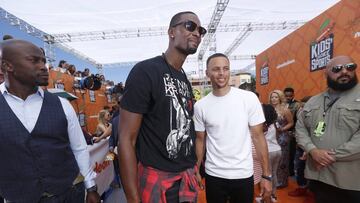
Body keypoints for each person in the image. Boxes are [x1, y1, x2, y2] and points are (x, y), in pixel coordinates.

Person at [118, 11, 207, 203]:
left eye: (201, 30)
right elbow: (126, 139)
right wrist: (133, 199)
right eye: (189, 26)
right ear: (171, 32)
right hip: (157, 180)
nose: (197, 33)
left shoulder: (183, 77)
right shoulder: (145, 71)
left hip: (186, 178)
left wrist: (194, 169)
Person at [0, 39, 100, 203]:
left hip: (69, 195)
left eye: (44, 61)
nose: (43, 67)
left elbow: (79, 149)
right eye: (34, 60)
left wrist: (91, 187)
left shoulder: (62, 104)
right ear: (7, 66)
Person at [194, 53, 272, 203]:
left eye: (226, 68)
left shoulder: (248, 99)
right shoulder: (200, 106)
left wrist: (267, 175)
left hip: (243, 174)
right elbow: (200, 140)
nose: (222, 73)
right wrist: (196, 169)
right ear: (207, 73)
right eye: (216, 69)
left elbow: (258, 137)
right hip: (214, 174)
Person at [296, 55, 360, 203]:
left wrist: (327, 157)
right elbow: (300, 128)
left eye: (350, 67)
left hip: (351, 181)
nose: (344, 71)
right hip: (320, 177)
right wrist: (312, 150)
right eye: (337, 69)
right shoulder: (314, 101)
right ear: (326, 74)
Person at [269, 90, 294, 188]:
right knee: (271, 159)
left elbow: (291, 123)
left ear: (280, 98)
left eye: (276, 97)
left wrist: (282, 129)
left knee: (282, 160)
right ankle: (271, 180)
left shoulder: (285, 110)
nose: (274, 99)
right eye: (272, 97)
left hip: (282, 138)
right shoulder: (268, 109)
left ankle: (281, 182)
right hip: (270, 137)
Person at [283, 87, 301, 176]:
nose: (288, 98)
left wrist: (295, 132)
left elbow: (298, 120)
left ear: (293, 95)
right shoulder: (282, 104)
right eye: (286, 96)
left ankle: (290, 172)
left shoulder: (297, 105)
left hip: (292, 133)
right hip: (282, 133)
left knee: (291, 153)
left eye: (290, 96)